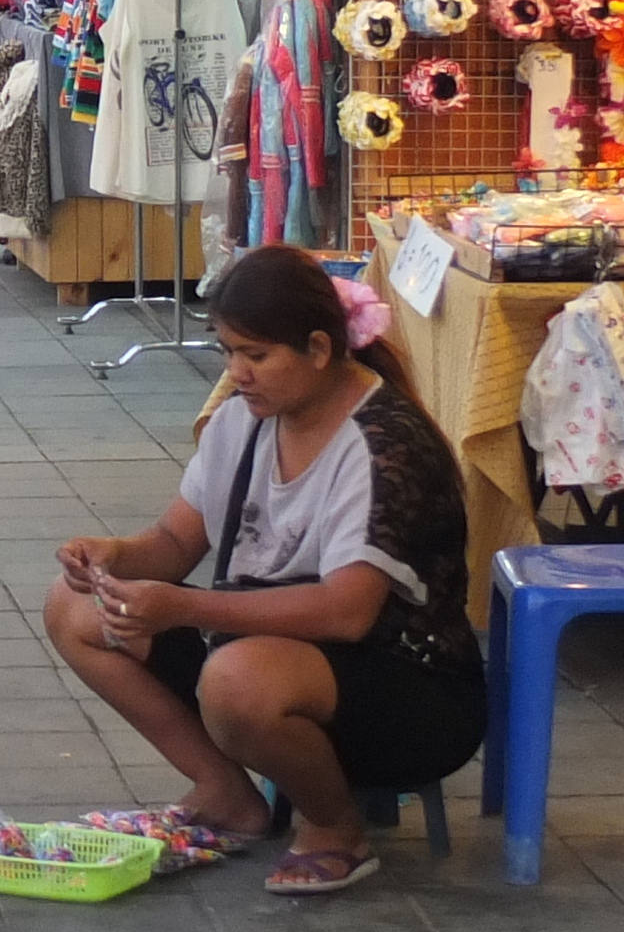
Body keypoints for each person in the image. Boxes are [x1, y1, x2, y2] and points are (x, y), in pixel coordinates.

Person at [43, 247, 481, 896]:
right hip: (266, 653)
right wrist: (113, 556)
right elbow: (173, 540)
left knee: (237, 681)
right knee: (74, 607)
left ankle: (334, 826)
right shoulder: (242, 421)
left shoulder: (385, 445)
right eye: (228, 353)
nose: (237, 374)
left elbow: (346, 611)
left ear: (318, 348)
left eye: (255, 355)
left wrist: (183, 608)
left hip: (406, 689)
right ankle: (225, 794)